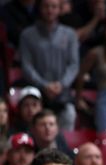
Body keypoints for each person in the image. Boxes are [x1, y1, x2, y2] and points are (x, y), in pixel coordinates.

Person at [18, 0, 79, 131]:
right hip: (37, 96)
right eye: (46, 6)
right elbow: (27, 66)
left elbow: (74, 65)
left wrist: (61, 84)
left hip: (63, 96)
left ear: (59, 9)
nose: (50, 10)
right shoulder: (27, 35)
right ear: (39, 8)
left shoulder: (70, 35)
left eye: (54, 6)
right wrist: (44, 85)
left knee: (69, 118)